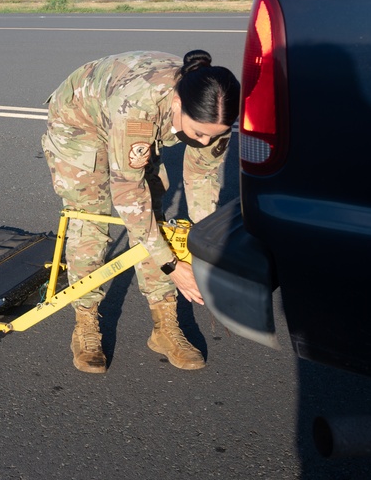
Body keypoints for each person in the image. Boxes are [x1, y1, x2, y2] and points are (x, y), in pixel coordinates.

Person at [42, 50, 240, 373]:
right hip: (80, 120)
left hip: (128, 118)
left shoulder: (215, 116)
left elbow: (202, 181)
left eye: (213, 136)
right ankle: (86, 322)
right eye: (198, 133)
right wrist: (172, 265)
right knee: (90, 215)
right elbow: (130, 197)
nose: (205, 142)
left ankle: (164, 326)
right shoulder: (139, 107)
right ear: (177, 105)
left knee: (157, 216)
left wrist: (205, 250)